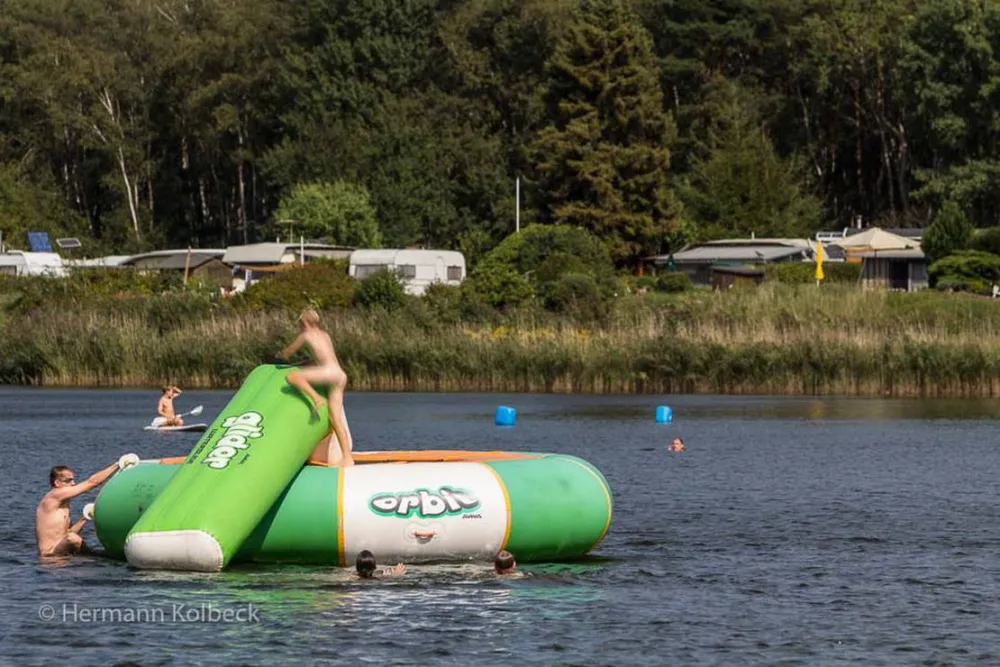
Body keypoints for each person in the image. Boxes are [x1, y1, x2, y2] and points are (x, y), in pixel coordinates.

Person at [278, 309, 354, 467]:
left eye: (300, 323)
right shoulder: (325, 335)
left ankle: (316, 398)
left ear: (305, 323)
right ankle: (347, 457)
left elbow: (288, 352)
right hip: (340, 375)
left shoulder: (306, 335)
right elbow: (324, 355)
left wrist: (282, 354)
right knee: (335, 419)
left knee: (292, 377)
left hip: (328, 373)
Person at [36, 462, 120, 557]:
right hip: (49, 557)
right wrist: (117, 465)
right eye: (68, 480)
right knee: (73, 539)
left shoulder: (62, 505)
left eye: (73, 480)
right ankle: (94, 556)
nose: (73, 483)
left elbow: (68, 533)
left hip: (61, 554)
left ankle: (94, 556)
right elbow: (92, 483)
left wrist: (84, 518)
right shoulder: (54, 496)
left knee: (72, 537)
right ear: (57, 483)